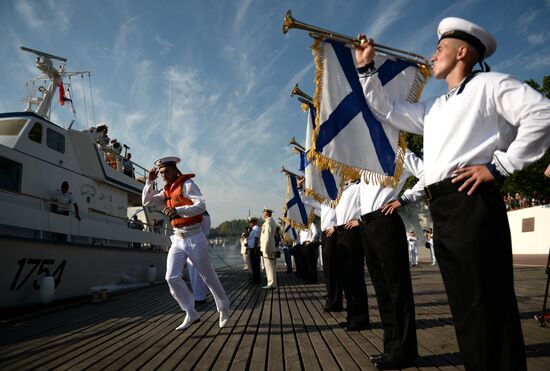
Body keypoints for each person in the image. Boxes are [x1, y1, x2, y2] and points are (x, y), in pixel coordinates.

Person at [355, 17, 550, 370]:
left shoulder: (490, 84)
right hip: (443, 205)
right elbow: (386, 110)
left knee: (487, 305)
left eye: (439, 48)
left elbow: (543, 113)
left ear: (462, 52)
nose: (432, 56)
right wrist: (366, 68)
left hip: (472, 200)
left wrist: (499, 166)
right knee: (465, 308)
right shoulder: (434, 107)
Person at [351, 149, 425, 369]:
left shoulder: (397, 150)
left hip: (386, 222)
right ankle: (390, 348)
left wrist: (404, 199)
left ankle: (404, 351)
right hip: (368, 225)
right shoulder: (365, 156)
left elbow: (428, 172)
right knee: (383, 292)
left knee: (397, 288)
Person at [142, 156, 230, 330]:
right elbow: (147, 201)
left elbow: (201, 205)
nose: (163, 175)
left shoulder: (187, 184)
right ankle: (191, 312)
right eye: (160, 173)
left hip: (195, 236)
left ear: (175, 170)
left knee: (207, 275)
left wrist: (178, 210)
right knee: (171, 277)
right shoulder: (166, 191)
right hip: (177, 238)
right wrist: (149, 182)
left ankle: (223, 307)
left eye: (166, 171)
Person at [335, 178, 370, 331]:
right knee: (346, 278)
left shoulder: (360, 185)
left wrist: (361, 220)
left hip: (352, 232)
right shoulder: (344, 190)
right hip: (341, 231)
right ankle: (351, 316)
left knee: (354, 277)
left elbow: (369, 204)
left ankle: (359, 319)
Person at [260, 208, 278, 289]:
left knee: (269, 266)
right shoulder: (269, 222)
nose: (262, 214)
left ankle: (272, 283)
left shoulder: (269, 222)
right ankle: (271, 282)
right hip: (268, 247)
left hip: (268, 247)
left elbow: (267, 236)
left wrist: (266, 248)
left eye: (263, 213)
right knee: (269, 266)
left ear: (266, 213)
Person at [247, 217, 262, 284]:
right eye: (250, 222)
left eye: (251, 222)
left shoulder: (256, 228)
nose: (250, 224)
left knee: (255, 265)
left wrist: (255, 249)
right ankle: (255, 278)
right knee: (254, 265)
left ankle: (256, 280)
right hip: (252, 248)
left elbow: (256, 238)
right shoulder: (253, 229)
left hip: (254, 248)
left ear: (254, 222)